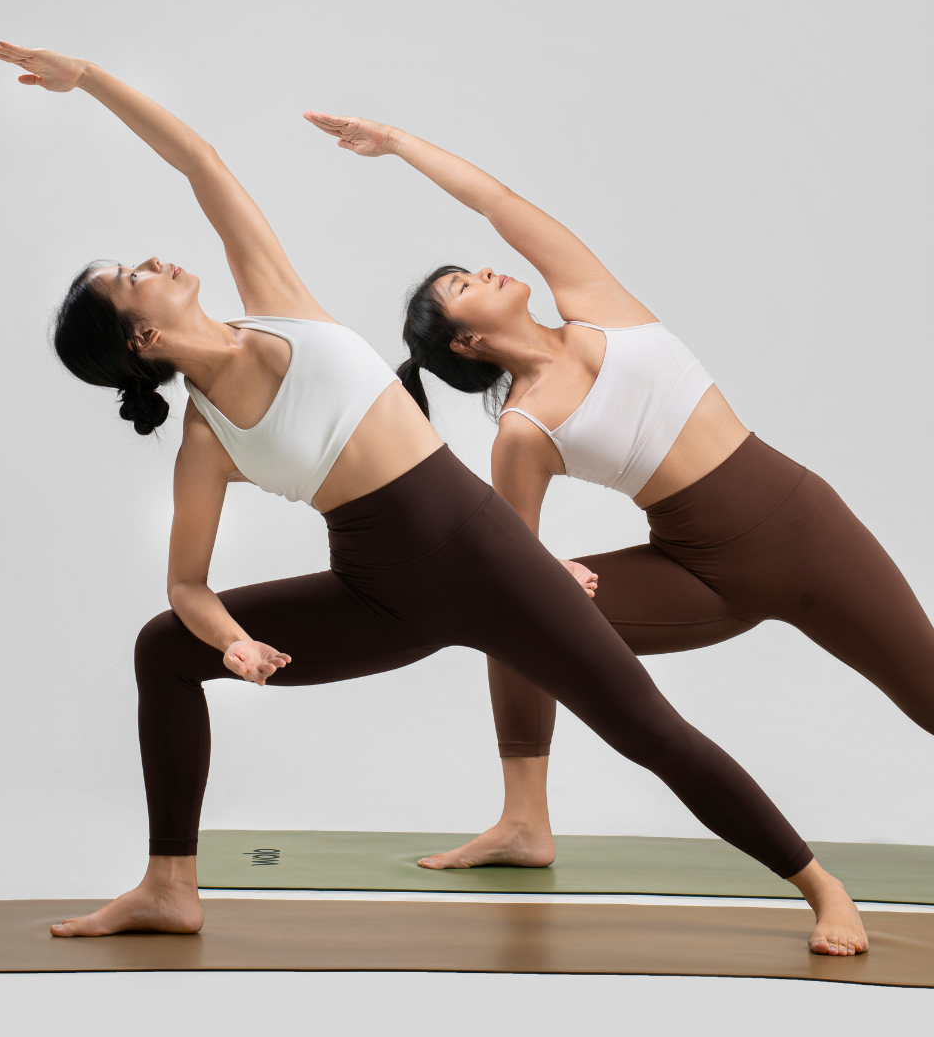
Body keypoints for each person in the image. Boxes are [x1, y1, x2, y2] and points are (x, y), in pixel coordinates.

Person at [0, 40, 868, 956]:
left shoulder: (277, 304)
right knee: (166, 648)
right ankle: (169, 886)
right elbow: (187, 589)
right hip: (380, 595)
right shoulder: (207, 441)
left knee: (648, 731)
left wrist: (86, 82)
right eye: (132, 277)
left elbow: (199, 161)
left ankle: (820, 887)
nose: (153, 259)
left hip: (489, 563)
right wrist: (231, 641)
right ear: (144, 336)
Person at [305, 110, 934, 894]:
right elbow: (507, 554)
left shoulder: (596, 302)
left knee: (930, 693)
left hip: (808, 532)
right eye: (466, 285)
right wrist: (547, 575)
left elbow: (497, 200)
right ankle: (526, 822)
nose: (489, 270)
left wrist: (398, 145)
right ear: (465, 343)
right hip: (701, 576)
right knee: (514, 618)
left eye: (473, 268)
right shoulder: (523, 431)